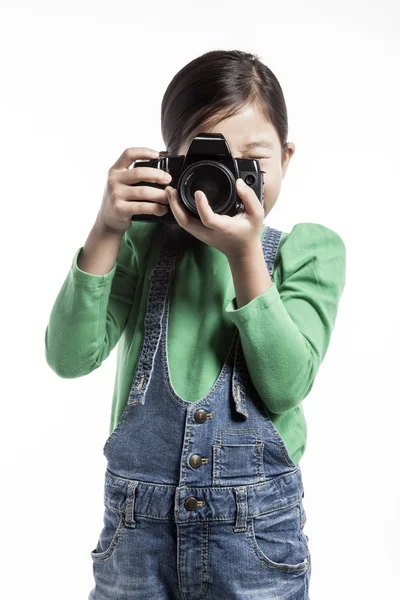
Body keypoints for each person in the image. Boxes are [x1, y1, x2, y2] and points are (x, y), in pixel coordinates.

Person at [45, 49, 346, 599]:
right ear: (170, 164)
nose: (225, 179)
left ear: (286, 157)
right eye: (206, 159)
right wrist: (107, 229)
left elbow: (285, 385)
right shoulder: (140, 244)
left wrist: (246, 255)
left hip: (255, 533)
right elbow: (68, 358)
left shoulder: (308, 251)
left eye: (250, 160)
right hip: (137, 531)